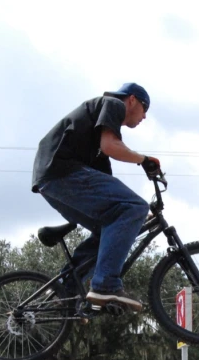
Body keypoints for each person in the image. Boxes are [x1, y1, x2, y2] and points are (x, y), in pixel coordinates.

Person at [32, 83, 161, 312]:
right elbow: (111, 145)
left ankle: (64, 293)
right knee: (134, 207)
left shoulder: (97, 141)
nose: (145, 117)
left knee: (111, 227)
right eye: (145, 107)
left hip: (50, 180)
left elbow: (109, 192)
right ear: (131, 100)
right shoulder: (112, 104)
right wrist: (144, 159)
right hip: (62, 171)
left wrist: (135, 215)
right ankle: (106, 285)